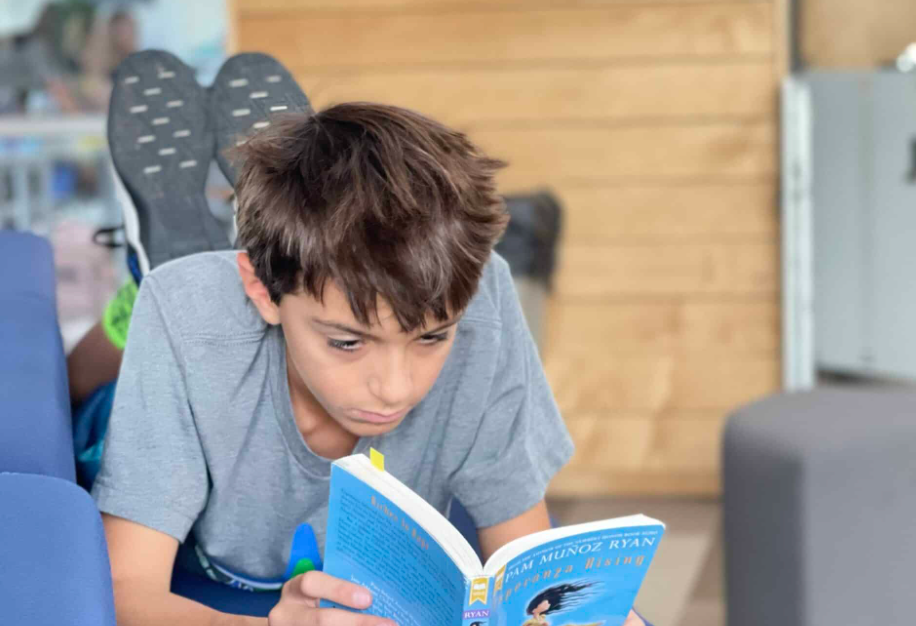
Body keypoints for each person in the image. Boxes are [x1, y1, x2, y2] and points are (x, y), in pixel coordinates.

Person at [87, 50, 648, 626]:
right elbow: (122, 592)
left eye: (432, 338)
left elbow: (525, 560)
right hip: (206, 538)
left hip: (262, 301)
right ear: (263, 291)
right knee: (105, 374)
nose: (395, 389)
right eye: (348, 343)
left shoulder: (482, 296)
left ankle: (246, 234)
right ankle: (153, 265)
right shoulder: (186, 317)